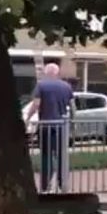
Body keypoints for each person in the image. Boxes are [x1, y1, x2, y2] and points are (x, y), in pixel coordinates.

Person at [23, 62, 74, 193]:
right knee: (62, 156)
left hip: (46, 126)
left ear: (46, 73)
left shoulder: (41, 85)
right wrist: (72, 122)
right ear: (57, 73)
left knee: (46, 156)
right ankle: (63, 185)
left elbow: (36, 104)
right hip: (62, 127)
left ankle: (45, 185)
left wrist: (28, 118)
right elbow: (73, 107)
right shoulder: (66, 86)